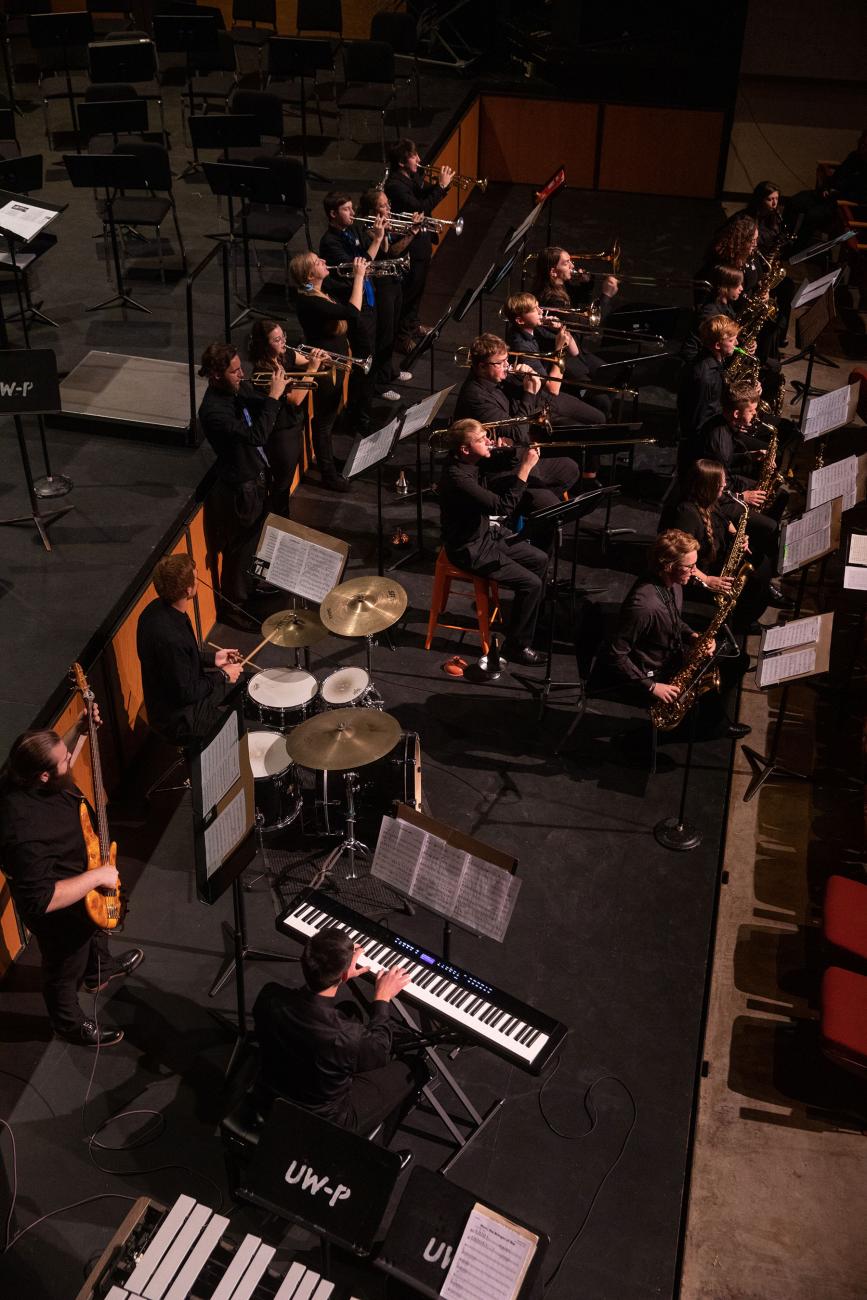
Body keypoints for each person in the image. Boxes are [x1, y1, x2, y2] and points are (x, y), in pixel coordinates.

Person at [0, 720, 144, 1046]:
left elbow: (55, 760)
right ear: (44, 777)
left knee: (93, 934)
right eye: (66, 759)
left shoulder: (29, 773)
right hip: (59, 913)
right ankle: (67, 1023)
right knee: (64, 967)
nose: (71, 759)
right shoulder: (24, 831)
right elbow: (43, 899)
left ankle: (99, 972)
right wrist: (96, 876)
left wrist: (78, 731)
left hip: (81, 883)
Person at [252, 928, 424, 1137]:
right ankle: (378, 1146)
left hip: (271, 1093)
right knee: (415, 1067)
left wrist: (340, 975)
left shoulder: (270, 996)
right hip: (324, 1119)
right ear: (344, 973)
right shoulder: (347, 1036)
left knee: (348, 1010)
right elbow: (380, 1052)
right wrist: (382, 998)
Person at [599, 529, 750, 740]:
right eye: (689, 567)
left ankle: (711, 723)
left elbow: (674, 621)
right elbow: (616, 655)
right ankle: (642, 741)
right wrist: (652, 687)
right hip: (651, 672)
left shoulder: (674, 584)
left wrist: (693, 636)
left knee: (737, 660)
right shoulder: (644, 606)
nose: (695, 571)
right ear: (669, 566)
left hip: (670, 653)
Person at [437, 419, 548, 664]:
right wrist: (526, 467)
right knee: (531, 584)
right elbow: (502, 507)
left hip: (486, 535)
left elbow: (496, 463)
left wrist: (507, 450)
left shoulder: (468, 460)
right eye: (481, 439)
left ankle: (526, 623)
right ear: (465, 449)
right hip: (470, 549)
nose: (488, 441)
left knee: (540, 559)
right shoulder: (458, 478)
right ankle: (516, 646)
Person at [198, 341, 291, 608]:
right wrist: (273, 398)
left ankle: (252, 586)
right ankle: (237, 606)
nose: (242, 374)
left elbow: (261, 404)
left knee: (256, 542)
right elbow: (256, 434)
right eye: (235, 371)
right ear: (216, 375)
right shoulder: (214, 411)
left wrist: (278, 390)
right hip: (241, 489)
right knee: (240, 551)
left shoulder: (234, 388)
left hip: (257, 477)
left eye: (241, 368)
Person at [452, 332, 580, 518]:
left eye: (507, 359)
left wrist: (527, 382)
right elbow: (519, 432)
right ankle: (527, 513)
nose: (507, 365)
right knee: (551, 509)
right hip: (498, 469)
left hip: (517, 454)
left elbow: (532, 412)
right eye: (501, 362)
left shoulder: (500, 380)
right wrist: (528, 393)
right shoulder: (475, 397)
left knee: (570, 469)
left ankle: (529, 512)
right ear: (481, 366)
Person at [137, 553, 244, 748]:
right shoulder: (171, 638)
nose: (198, 581)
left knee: (247, 682)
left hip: (182, 692)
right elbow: (187, 693)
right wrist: (222, 674)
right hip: (179, 717)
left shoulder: (153, 610)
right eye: (196, 578)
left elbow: (182, 661)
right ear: (188, 590)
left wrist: (214, 659)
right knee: (236, 732)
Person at [660, 459, 773, 631]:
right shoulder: (686, 516)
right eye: (721, 485)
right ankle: (741, 624)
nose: (725, 486)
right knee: (755, 583)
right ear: (708, 487)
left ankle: (748, 616)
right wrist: (707, 580)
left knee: (763, 564)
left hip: (718, 555)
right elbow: (680, 559)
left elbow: (725, 520)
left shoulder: (708, 499)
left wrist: (739, 535)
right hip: (700, 574)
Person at [290, 247, 366, 477]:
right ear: (309, 275)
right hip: (325, 366)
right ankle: (328, 472)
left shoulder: (319, 292)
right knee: (324, 421)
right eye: (317, 262)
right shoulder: (310, 301)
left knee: (329, 417)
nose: (324, 261)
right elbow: (352, 313)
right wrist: (359, 276)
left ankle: (328, 460)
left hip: (335, 362)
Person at [246, 320, 327, 514]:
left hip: (294, 426)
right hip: (280, 435)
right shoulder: (263, 372)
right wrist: (312, 369)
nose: (283, 342)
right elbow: (296, 398)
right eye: (277, 339)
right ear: (265, 345)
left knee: (287, 478)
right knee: (282, 483)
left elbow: (305, 360)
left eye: (283, 336)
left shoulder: (283, 355)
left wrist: (317, 357)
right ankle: (277, 519)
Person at [383, 139, 454, 349]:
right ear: (402, 162)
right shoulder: (395, 185)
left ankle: (412, 326)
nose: (419, 159)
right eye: (414, 156)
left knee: (419, 287)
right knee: (411, 289)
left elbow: (421, 195)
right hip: (410, 243)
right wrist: (440, 187)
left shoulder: (410, 177)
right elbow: (420, 208)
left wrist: (442, 186)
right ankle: (402, 337)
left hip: (421, 240)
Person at [319, 190, 386, 410]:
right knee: (364, 359)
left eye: (352, 207)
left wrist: (381, 234)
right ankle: (360, 414)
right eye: (346, 209)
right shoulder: (330, 242)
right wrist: (376, 240)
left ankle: (368, 399)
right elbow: (359, 267)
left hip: (370, 300)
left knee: (373, 353)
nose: (352, 212)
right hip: (355, 305)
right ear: (332, 214)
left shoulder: (353, 229)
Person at [502, 291, 606, 428]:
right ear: (520, 320)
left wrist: (560, 329)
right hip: (540, 398)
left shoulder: (535, 328)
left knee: (601, 404)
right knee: (598, 418)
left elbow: (574, 352)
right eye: (535, 309)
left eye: (539, 306)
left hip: (550, 385)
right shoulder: (521, 346)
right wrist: (559, 349)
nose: (541, 311)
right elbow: (553, 388)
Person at [357, 186, 418, 396]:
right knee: (383, 335)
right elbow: (385, 252)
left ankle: (390, 370)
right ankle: (380, 384)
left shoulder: (383, 224)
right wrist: (388, 233)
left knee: (391, 331)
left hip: (393, 281)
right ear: (373, 210)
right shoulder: (368, 229)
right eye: (383, 205)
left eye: (388, 203)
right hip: (380, 287)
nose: (389, 208)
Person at [787, 129, 867, 249]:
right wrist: (826, 187)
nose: (862, 146)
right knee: (794, 201)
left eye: (866, 145)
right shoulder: (853, 157)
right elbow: (835, 177)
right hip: (828, 194)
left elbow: (861, 196)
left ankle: (796, 249)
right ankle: (785, 239)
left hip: (841, 205)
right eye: (862, 143)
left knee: (813, 215)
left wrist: (838, 194)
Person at [677, 314, 739, 443]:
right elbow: (699, 419)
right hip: (708, 437)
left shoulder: (712, 360)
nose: (737, 344)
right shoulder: (706, 376)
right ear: (717, 345)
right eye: (732, 341)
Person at [680, 266, 744, 363]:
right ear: (725, 286)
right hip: (704, 365)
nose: (741, 288)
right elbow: (691, 348)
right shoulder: (710, 313)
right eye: (737, 285)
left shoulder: (727, 306)